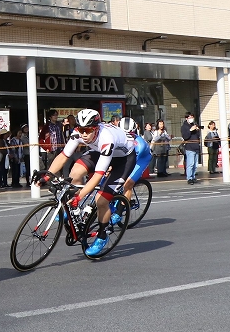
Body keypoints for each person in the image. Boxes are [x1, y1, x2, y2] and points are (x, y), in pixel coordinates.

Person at [35, 109, 135, 257]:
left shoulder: (106, 138)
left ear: (96, 128)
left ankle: (102, 235)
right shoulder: (77, 133)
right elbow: (64, 156)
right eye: (81, 130)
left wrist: (79, 196)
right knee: (74, 173)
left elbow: (97, 176)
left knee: (101, 200)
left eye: (88, 130)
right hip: (99, 152)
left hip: (123, 159)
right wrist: (47, 176)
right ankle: (76, 211)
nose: (84, 134)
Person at [119, 118, 152, 204]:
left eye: (130, 134)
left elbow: (130, 164)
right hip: (127, 157)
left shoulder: (140, 144)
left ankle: (120, 211)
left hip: (141, 160)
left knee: (127, 184)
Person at [181, 112, 201, 184]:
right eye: (190, 117)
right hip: (189, 147)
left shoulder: (194, 125)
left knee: (195, 164)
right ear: (186, 118)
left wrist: (197, 130)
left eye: (192, 117)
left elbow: (198, 135)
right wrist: (190, 130)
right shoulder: (184, 127)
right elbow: (185, 136)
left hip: (196, 146)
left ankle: (193, 176)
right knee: (190, 163)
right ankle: (189, 178)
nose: (191, 119)